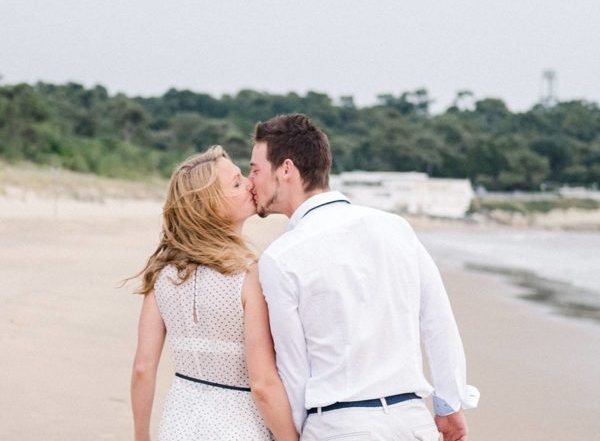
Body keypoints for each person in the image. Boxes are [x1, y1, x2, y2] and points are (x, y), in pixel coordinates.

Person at [248, 114, 479, 441]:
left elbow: (294, 370)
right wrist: (448, 405)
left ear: (286, 169)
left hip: (338, 425)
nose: (250, 180)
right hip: (412, 421)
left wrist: (302, 434)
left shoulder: (280, 257)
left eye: (255, 169)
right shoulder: (395, 227)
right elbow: (438, 320)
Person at [130, 146, 298, 441]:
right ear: (209, 206)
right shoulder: (248, 275)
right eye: (236, 183)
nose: (249, 182)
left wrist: (141, 436)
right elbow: (262, 384)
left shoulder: (162, 272)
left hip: (178, 425)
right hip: (240, 427)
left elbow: (143, 368)